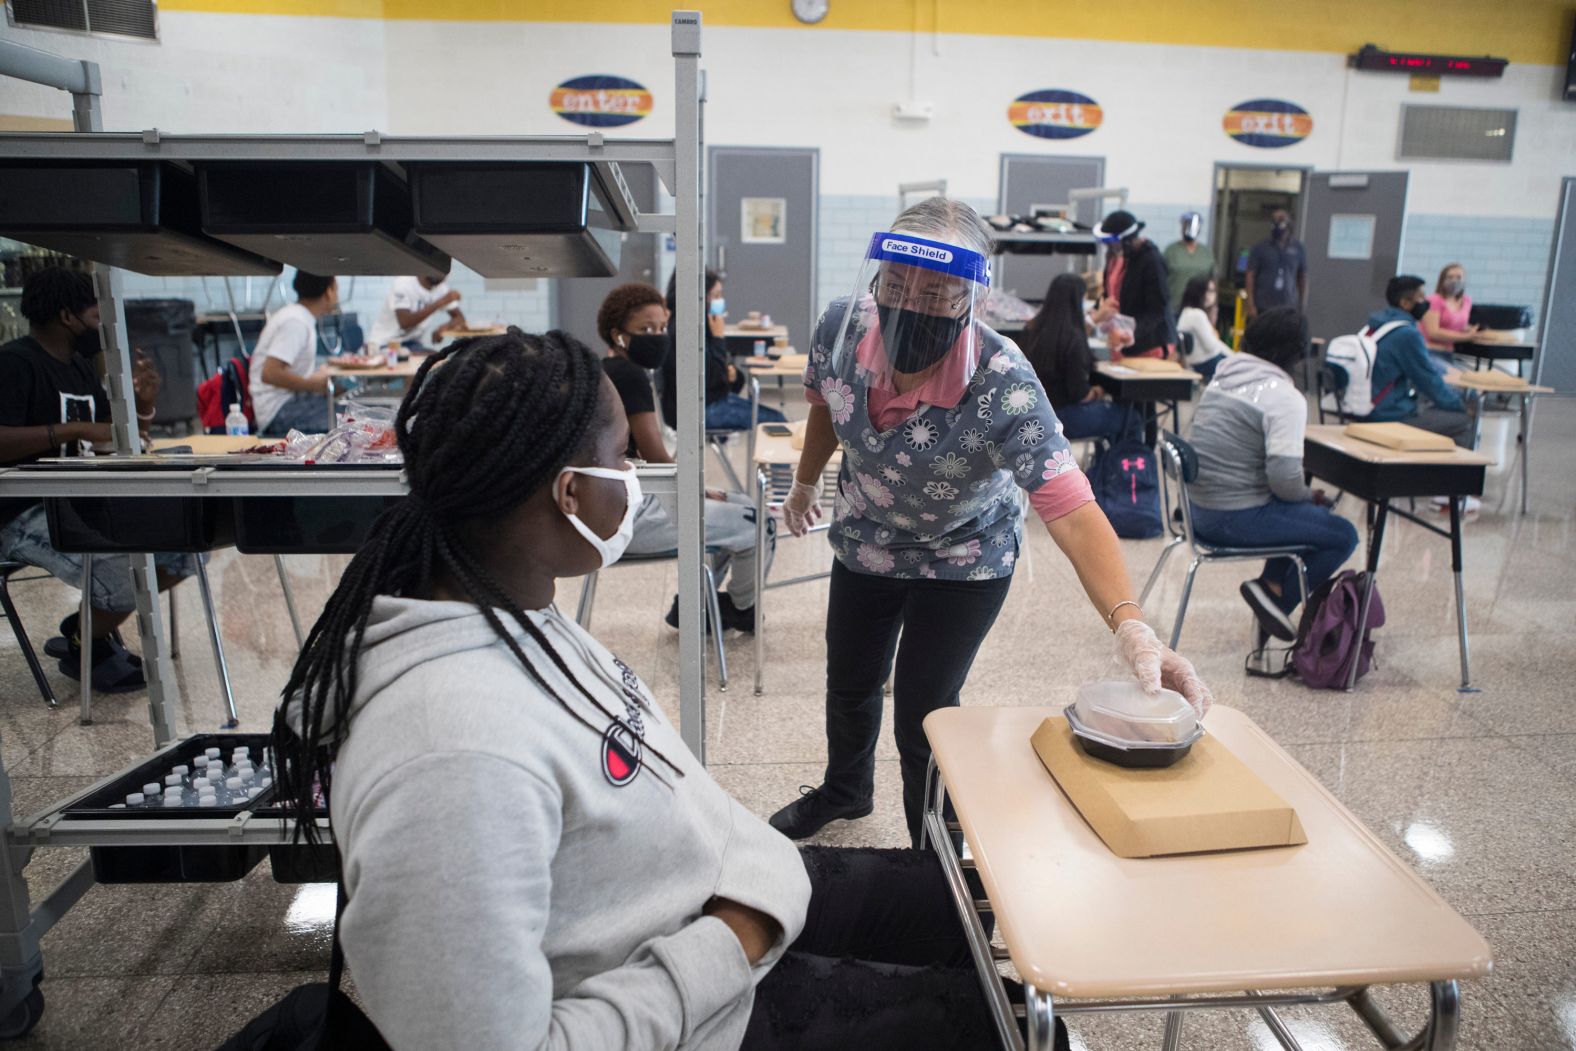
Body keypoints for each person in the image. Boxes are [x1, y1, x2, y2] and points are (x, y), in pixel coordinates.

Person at [268, 329, 1072, 1051]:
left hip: (724, 891)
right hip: (705, 992)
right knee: (996, 1022)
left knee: (969, 905)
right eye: (622, 459)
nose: (637, 479)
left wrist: (742, 896)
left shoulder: (508, 602)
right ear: (570, 492)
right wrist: (734, 941)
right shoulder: (448, 758)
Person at [767, 199, 1213, 847]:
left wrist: (1132, 623)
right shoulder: (842, 327)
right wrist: (806, 481)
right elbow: (823, 405)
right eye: (897, 283)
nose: (912, 303)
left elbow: (1074, 509)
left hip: (964, 558)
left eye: (939, 291)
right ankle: (846, 789)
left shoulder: (1001, 378)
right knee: (851, 679)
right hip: (865, 541)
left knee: (926, 709)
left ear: (972, 298)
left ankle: (935, 846)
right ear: (878, 280)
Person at [0, 267, 194, 692]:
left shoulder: (80, 368)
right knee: (120, 569)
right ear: (68, 316)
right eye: (95, 315)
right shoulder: (14, 363)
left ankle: (84, 631)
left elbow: (114, 437)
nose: (101, 326)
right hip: (18, 512)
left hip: (79, 501)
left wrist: (143, 406)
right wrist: (71, 430)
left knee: (186, 548)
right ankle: (89, 640)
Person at [598, 283, 772, 632]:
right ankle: (742, 608)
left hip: (624, 503)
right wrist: (697, 488)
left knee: (735, 504)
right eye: (646, 330)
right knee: (757, 520)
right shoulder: (629, 377)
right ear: (618, 335)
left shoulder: (611, 369)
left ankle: (698, 604)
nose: (658, 336)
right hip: (637, 513)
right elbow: (659, 459)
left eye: (662, 327)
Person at [1186, 308, 1358, 641]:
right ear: (1299, 351)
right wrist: (1311, 498)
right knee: (1342, 534)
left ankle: (1272, 585)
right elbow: (1284, 479)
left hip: (1197, 511)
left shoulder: (1223, 375)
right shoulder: (1284, 397)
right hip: (1233, 518)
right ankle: (1277, 598)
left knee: (1299, 515)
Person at [659, 269, 785, 432]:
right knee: (778, 423)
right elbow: (712, 380)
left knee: (777, 419)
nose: (721, 301)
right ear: (700, 297)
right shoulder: (685, 329)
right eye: (716, 296)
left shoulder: (699, 325)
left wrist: (732, 375)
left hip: (709, 401)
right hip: (697, 411)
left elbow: (725, 379)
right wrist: (718, 338)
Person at [1019, 273, 1137, 446]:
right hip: (1063, 416)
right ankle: (1121, 469)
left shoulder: (1032, 329)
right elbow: (1080, 394)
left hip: (1033, 414)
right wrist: (1098, 392)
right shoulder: (1073, 338)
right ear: (1077, 301)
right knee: (1130, 418)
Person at [1361, 275, 1474, 448]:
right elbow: (1429, 381)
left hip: (1364, 407)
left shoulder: (1375, 325)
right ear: (1405, 303)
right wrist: (1460, 406)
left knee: (1426, 405)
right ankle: (1443, 474)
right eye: (1421, 297)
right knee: (1462, 421)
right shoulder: (1407, 335)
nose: (1425, 302)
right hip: (1387, 415)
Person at [248, 271, 338, 438]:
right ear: (329, 291)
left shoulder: (300, 317)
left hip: (290, 405)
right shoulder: (296, 322)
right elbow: (270, 373)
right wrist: (314, 385)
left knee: (346, 410)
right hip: (278, 412)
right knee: (351, 422)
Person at [1090, 209, 1174, 359]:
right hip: (1121, 341)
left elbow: (1157, 311)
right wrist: (1097, 312)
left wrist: (1130, 332)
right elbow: (1110, 294)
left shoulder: (1151, 261)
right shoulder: (1114, 259)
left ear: (1127, 241)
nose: (1110, 248)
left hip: (1150, 343)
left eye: (1113, 244)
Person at [367, 266, 466, 351]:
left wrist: (443, 328)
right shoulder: (403, 283)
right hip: (385, 343)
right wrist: (440, 303)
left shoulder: (441, 289)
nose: (438, 273)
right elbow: (405, 322)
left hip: (412, 344)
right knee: (426, 363)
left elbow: (460, 318)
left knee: (439, 362)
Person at [1243, 208, 1306, 320]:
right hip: (1263, 306)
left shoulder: (1298, 249)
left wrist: (1301, 305)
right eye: (1274, 220)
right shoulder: (1260, 248)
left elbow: (1302, 278)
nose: (1277, 224)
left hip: (1288, 307)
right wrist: (1250, 304)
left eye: (1281, 220)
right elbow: (1250, 275)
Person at [1420, 262, 1480, 371]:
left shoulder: (1466, 301)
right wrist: (1466, 337)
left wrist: (1472, 330)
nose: (1454, 281)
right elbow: (1433, 332)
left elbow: (1458, 325)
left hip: (1450, 353)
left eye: (1458, 277)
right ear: (1442, 280)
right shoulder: (1433, 301)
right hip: (1430, 351)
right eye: (1450, 277)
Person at [1175, 274, 1233, 381]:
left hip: (1199, 363)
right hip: (1206, 363)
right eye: (1207, 291)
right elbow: (1212, 347)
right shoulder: (1197, 314)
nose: (1209, 295)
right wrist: (1234, 357)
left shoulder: (1186, 312)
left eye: (1212, 291)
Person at [1162, 211, 1216, 313]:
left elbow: (1213, 281)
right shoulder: (1171, 251)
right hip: (1174, 309)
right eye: (1187, 224)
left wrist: (1213, 307)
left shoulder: (1206, 253)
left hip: (1201, 309)